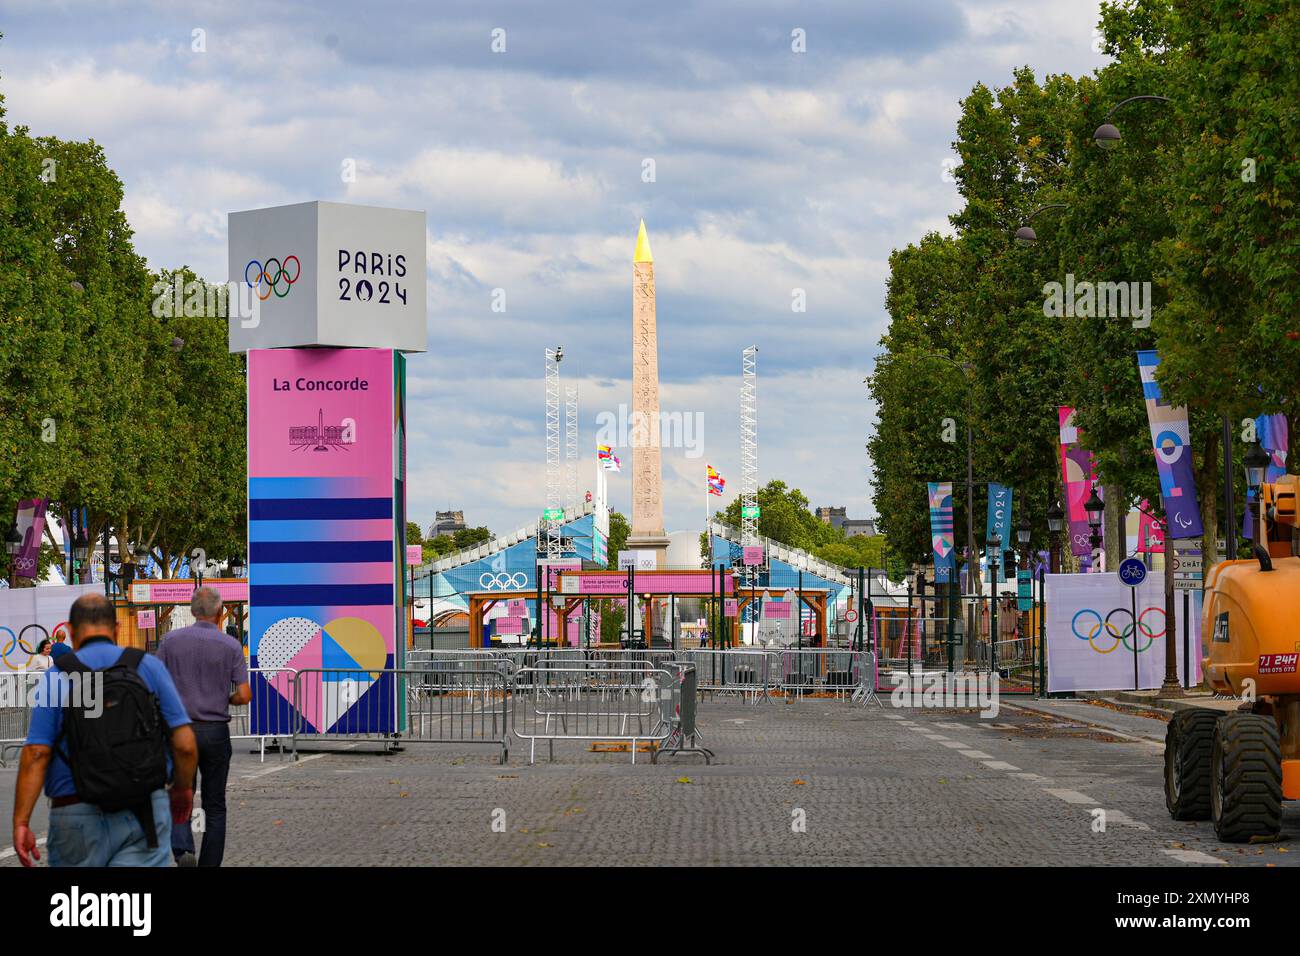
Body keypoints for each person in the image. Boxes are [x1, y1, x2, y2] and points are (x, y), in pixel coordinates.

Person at [12, 593, 196, 867]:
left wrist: (21, 821)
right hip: (143, 808)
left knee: (83, 909)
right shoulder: (148, 667)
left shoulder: (57, 676)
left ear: (71, 632)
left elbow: (37, 753)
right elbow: (185, 744)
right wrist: (182, 789)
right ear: (117, 629)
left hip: (74, 811)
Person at [155, 586, 250, 867]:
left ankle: (183, 850)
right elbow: (244, 695)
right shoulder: (231, 645)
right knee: (215, 804)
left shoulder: (170, 642)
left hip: (179, 730)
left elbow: (157, 683)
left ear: (193, 610)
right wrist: (225, 697)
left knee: (179, 792)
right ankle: (210, 864)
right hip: (215, 731)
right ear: (220, 612)